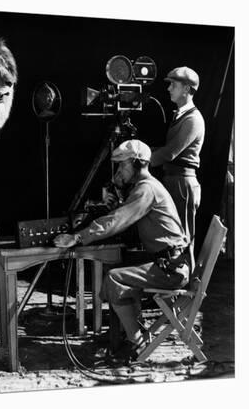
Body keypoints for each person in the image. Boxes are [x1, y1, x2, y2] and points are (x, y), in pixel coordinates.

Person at [54, 139, 190, 361]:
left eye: (122, 166)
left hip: (171, 270)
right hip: (170, 262)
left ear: (137, 164)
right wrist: (117, 196)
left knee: (115, 278)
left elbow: (118, 220)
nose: (119, 171)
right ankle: (129, 330)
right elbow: (124, 214)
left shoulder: (146, 190)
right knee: (120, 266)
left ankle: (137, 341)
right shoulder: (145, 187)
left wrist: (77, 237)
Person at [150, 66, 204, 269]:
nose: (169, 88)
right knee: (172, 235)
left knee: (184, 236)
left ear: (186, 89)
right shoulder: (180, 115)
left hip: (183, 183)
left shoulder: (192, 119)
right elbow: (166, 150)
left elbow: (170, 152)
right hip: (174, 180)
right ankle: (171, 288)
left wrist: (142, 160)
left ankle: (186, 288)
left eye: (173, 84)